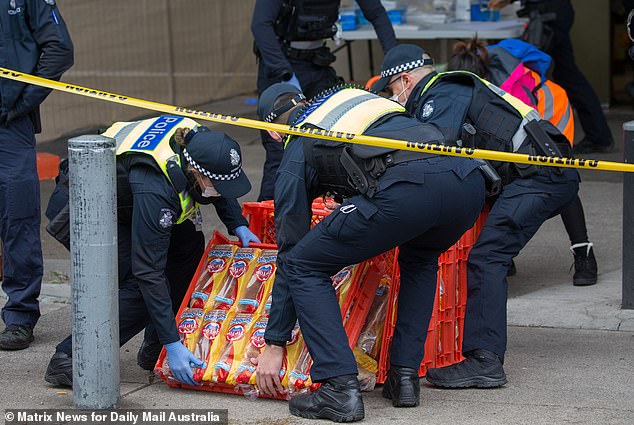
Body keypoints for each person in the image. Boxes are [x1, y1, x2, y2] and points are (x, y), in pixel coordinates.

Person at [252, 82, 487, 422]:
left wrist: (274, 343)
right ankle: (404, 378)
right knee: (420, 260)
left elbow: (291, 250)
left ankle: (338, 388)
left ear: (274, 133)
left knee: (304, 265)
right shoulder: (350, 102)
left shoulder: (298, 139)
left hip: (409, 190)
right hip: (466, 184)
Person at [372, 44, 579, 388]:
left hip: (540, 176)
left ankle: (485, 360)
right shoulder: (447, 89)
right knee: (488, 254)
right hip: (536, 172)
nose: (395, 98)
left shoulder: (443, 91)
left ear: (405, 79)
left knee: (488, 257)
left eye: (392, 90)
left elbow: (433, 146)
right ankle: (483, 353)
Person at [43, 116, 260, 387]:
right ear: (195, 173)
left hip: (127, 198)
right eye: (218, 186)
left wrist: (237, 223)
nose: (222, 191)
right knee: (141, 287)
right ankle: (72, 356)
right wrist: (174, 343)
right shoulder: (157, 188)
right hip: (89, 206)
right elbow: (148, 271)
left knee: (189, 250)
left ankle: (154, 345)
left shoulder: (197, 141)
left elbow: (218, 180)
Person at [447, 37, 598, 286]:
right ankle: (505, 254)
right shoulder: (462, 80)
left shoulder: (506, 91)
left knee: (559, 174)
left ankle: (584, 254)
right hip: (520, 124)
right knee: (492, 179)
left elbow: (522, 135)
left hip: (548, 110)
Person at [251, 0, 397, 201]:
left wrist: (394, 61)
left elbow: (377, 14)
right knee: (279, 151)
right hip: (281, 65)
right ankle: (268, 217)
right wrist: (284, 72)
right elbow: (260, 25)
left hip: (316, 64)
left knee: (329, 143)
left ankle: (324, 211)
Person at [0, 0, 74, 351]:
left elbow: (59, 49)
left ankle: (19, 315)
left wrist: (19, 103)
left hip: (10, 127)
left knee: (18, 216)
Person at [488, 0, 614, 154]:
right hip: (554, 13)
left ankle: (533, 141)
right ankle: (598, 136)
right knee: (566, 75)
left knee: (527, 74)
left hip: (548, 15)